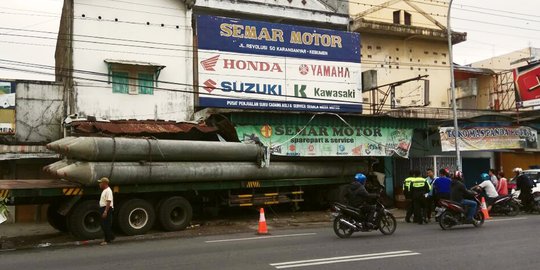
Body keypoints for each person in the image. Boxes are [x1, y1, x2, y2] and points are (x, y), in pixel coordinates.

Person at [98, 177, 114, 245]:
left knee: (105, 224)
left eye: (100, 183)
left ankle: (107, 239)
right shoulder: (105, 190)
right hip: (104, 208)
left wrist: (105, 211)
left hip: (106, 208)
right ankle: (110, 237)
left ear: (104, 183)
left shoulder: (108, 191)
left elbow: (109, 201)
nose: (99, 184)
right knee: (104, 224)